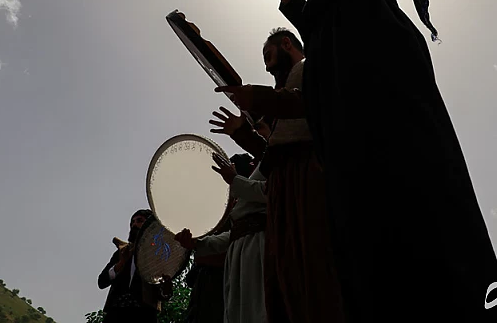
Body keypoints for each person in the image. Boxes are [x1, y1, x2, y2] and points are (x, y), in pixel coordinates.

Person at [224, 0, 497, 321]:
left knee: (428, 228)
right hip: (347, 134)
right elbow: (328, 34)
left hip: (387, 101)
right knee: (369, 261)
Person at [212, 28, 346, 323]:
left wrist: (255, 98)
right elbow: (271, 154)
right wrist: (243, 133)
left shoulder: (308, 69)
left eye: (268, 56)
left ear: (287, 43)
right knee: (288, 286)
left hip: (307, 179)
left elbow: (295, 122)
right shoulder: (285, 96)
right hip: (287, 189)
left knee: (312, 278)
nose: (267, 65)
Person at [175, 148, 268, 323]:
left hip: (260, 252)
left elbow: (270, 192)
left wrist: (234, 180)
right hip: (235, 265)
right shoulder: (237, 208)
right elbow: (234, 234)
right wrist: (198, 243)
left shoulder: (275, 165)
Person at [98, 209, 171, 323]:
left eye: (139, 221)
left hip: (144, 315)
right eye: (132, 222)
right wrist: (121, 263)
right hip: (116, 314)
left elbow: (163, 293)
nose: (134, 225)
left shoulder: (157, 254)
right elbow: (102, 282)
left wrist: (166, 288)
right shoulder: (121, 253)